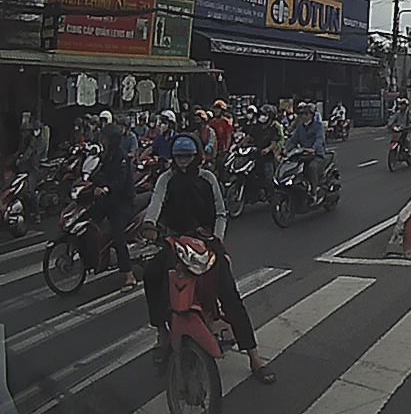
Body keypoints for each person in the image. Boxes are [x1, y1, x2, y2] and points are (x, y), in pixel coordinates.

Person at [141, 133, 276, 383]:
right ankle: (162, 332)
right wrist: (150, 224)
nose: (183, 161)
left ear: (196, 156)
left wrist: (217, 240)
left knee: (229, 295)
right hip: (176, 242)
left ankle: (254, 356)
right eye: (179, 156)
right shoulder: (166, 179)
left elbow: (221, 213)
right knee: (151, 276)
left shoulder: (207, 178)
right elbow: (155, 204)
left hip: (207, 243)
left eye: (188, 156)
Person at [92, 123, 138, 291]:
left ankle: (129, 274)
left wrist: (107, 188)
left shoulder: (121, 157)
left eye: (105, 138)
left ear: (112, 140)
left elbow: (119, 182)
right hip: (108, 199)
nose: (102, 140)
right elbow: (99, 172)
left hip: (123, 202)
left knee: (118, 233)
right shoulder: (106, 155)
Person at [285, 102, 326, 202]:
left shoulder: (318, 126)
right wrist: (285, 150)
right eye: (302, 114)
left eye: (306, 114)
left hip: (316, 155)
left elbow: (319, 139)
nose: (304, 116)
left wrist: (313, 149)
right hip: (303, 154)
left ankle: (314, 192)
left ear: (312, 115)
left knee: (312, 167)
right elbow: (293, 141)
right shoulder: (300, 127)